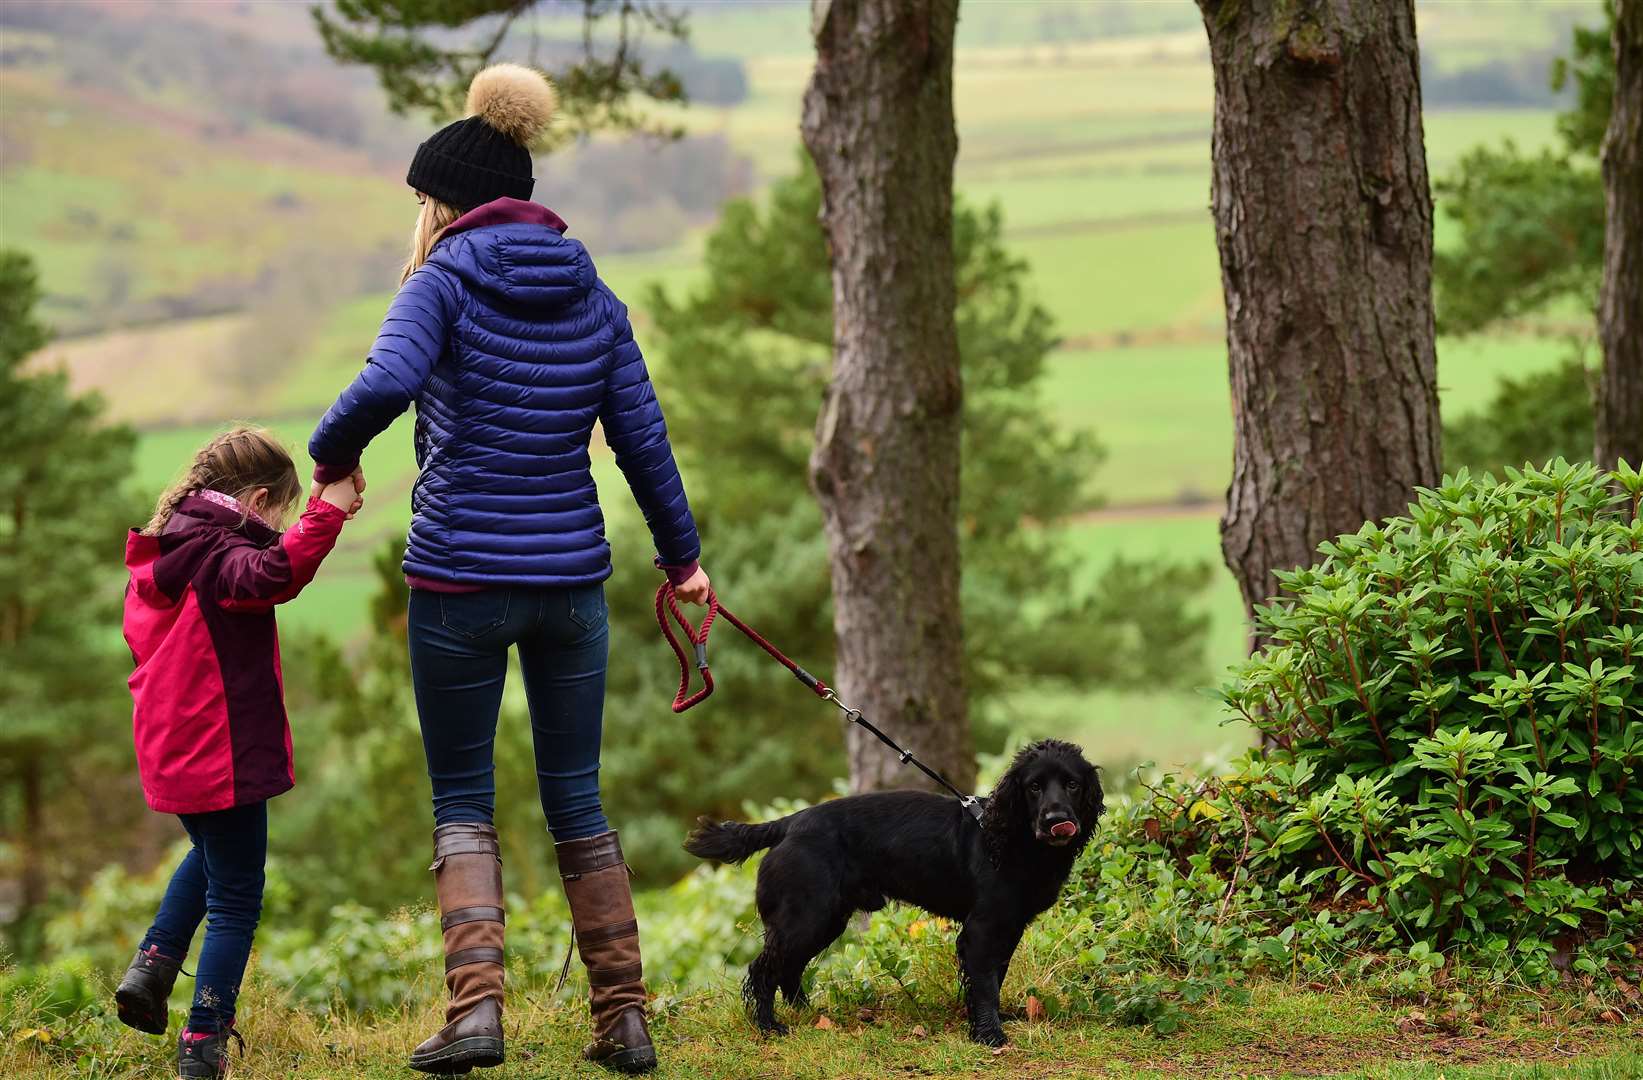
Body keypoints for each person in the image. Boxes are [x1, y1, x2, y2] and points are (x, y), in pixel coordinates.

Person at [307, 63, 708, 1076]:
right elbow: (643, 439)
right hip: (570, 582)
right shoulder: (592, 287)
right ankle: (623, 1020)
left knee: (462, 799)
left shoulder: (438, 281)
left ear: (443, 201)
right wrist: (684, 562)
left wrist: (332, 459)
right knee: (575, 794)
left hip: (458, 581)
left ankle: (476, 1015)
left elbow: (385, 381)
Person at [114, 427, 359, 1078]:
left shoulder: (172, 545)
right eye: (280, 511)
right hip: (217, 749)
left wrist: (321, 507)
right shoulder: (219, 556)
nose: (280, 526)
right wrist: (327, 511)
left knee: (213, 857)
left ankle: (154, 966)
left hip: (172, 746)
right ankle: (204, 1044)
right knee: (238, 897)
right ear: (255, 499)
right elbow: (276, 572)